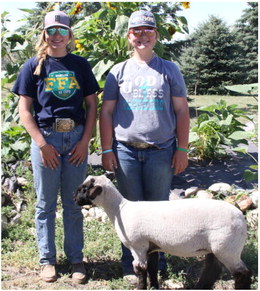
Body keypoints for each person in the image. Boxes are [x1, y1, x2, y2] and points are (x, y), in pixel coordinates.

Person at [100, 10, 190, 281]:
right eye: (136, 31)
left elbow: (182, 111)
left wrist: (182, 149)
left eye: (147, 31)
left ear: (156, 36)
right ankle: (130, 266)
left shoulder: (169, 69)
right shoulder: (118, 72)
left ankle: (156, 267)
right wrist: (106, 150)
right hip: (125, 152)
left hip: (161, 151)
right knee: (127, 212)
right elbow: (106, 113)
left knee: (158, 212)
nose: (142, 36)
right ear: (129, 36)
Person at [12, 10, 99, 284]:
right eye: (52, 30)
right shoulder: (33, 66)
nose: (57, 35)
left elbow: (92, 105)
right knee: (45, 205)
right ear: (44, 34)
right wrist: (41, 144)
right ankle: (47, 261)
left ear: (70, 35)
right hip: (46, 139)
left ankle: (76, 261)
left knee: (74, 204)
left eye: (62, 30)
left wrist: (85, 141)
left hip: (75, 140)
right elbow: (24, 111)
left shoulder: (80, 65)